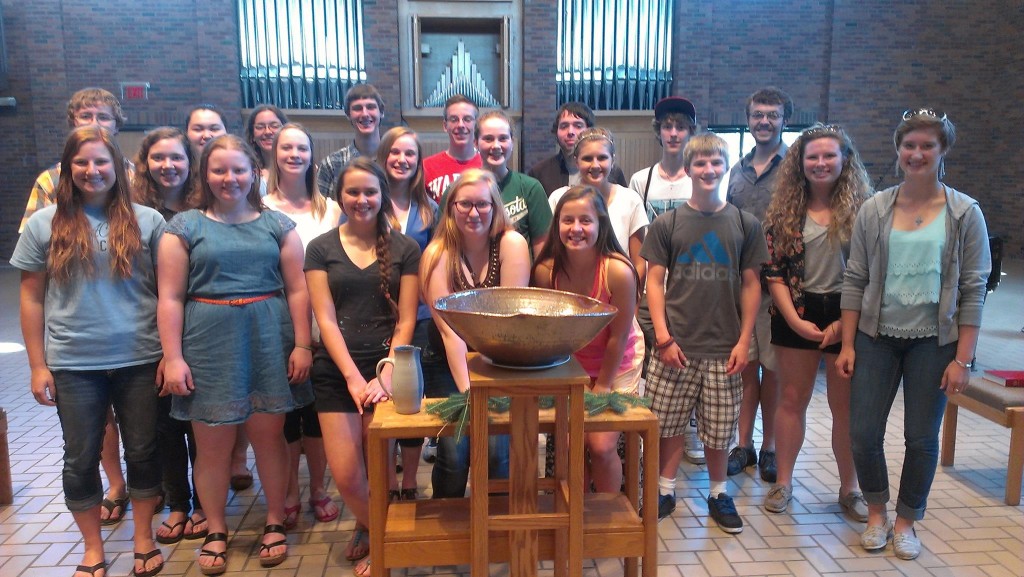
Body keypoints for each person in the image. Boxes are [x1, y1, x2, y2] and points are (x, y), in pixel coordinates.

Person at [13, 125, 166, 577]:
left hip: (140, 356)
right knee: (79, 455)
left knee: (142, 450)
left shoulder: (148, 221)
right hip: (74, 362)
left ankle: (143, 539)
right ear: (67, 169)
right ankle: (93, 548)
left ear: (118, 167)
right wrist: (38, 364)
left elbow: (168, 292)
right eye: (81, 162)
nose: (92, 170)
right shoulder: (44, 224)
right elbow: (31, 298)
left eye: (101, 162)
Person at [838, 110, 991, 560]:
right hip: (876, 337)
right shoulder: (875, 208)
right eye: (909, 146)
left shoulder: (965, 213)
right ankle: (876, 514)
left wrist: (962, 360)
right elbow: (855, 278)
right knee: (864, 433)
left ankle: (906, 521)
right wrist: (848, 343)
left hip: (934, 341)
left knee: (921, 438)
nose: (917, 154)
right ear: (898, 150)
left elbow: (973, 290)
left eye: (927, 146)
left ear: (943, 151)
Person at [158, 134, 313, 575]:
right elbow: (169, 297)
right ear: (205, 174)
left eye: (239, 169)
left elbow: (298, 289)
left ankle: (274, 519)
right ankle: (217, 529)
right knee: (212, 447)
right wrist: (173, 357)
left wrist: (302, 344)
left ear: (255, 173)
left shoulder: (277, 226)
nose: (230, 178)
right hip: (207, 342)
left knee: (269, 438)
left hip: (268, 338)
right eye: (219, 170)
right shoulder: (184, 228)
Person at [641, 134, 768, 531]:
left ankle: (718, 492)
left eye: (716, 163)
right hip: (675, 346)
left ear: (725, 167)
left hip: (724, 347)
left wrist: (745, 339)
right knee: (668, 422)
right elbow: (654, 283)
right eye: (700, 164)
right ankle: (664, 488)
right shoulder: (668, 223)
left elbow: (751, 286)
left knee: (718, 429)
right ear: (689, 169)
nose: (708, 170)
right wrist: (662, 337)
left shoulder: (745, 225)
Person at [19, 89, 134, 523]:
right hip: (78, 330)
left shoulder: (134, 177)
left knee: (140, 429)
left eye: (104, 116)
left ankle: (143, 486)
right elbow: (35, 265)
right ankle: (115, 482)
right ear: (71, 122)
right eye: (86, 116)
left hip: (130, 325)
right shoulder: (51, 184)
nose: (96, 123)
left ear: (117, 125)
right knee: (96, 423)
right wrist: (37, 361)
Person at [305, 157, 421, 577]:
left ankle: (376, 538)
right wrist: (354, 378)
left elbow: (406, 319)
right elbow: (325, 319)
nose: (362, 199)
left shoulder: (406, 249)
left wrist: (384, 373)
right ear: (339, 196)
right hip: (337, 372)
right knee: (349, 477)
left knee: (379, 470)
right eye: (352, 192)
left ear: (383, 196)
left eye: (370, 191)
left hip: (388, 370)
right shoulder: (320, 248)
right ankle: (383, 531)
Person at [760, 123, 871, 520]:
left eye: (829, 156)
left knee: (846, 409)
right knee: (792, 400)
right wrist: (793, 320)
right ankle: (783, 483)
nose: (821, 163)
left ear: (845, 160)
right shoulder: (783, 211)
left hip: (848, 312)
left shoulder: (864, 210)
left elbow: (871, 271)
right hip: (796, 310)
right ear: (801, 162)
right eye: (813, 156)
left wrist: (845, 323)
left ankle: (851, 488)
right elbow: (772, 271)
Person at [420, 169, 531, 497]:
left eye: (482, 204)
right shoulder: (437, 254)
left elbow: (508, 321)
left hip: (500, 356)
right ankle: (449, 521)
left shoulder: (511, 243)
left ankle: (495, 524)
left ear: (496, 207)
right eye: (464, 204)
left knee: (497, 449)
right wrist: (471, 392)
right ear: (450, 207)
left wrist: (487, 390)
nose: (474, 212)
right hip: (445, 357)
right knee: (456, 451)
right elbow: (449, 331)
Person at [532, 186, 644, 492]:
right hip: (574, 363)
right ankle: (576, 516)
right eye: (568, 221)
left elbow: (618, 336)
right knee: (570, 443)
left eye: (585, 220)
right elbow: (549, 334)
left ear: (601, 224)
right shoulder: (546, 271)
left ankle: (604, 517)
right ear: (557, 226)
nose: (576, 229)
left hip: (618, 361)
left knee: (601, 444)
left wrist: (603, 386)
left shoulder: (618, 271)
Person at [132, 127, 211, 545]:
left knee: (199, 424)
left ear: (190, 162)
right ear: (146, 163)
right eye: (158, 158)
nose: (168, 166)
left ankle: (203, 504)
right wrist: (166, 348)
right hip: (149, 333)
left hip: (198, 329)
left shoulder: (205, 208)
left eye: (176, 157)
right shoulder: (134, 212)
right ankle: (178, 502)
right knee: (164, 427)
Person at [262, 123, 342, 528]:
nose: (294, 154)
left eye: (302, 148)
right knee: (285, 417)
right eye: (286, 147)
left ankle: (318, 489)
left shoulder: (329, 208)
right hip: (276, 323)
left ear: (312, 156)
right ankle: (290, 488)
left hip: (323, 323)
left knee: (317, 413)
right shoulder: (259, 206)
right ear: (274, 153)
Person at [628, 95, 704, 466]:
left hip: (692, 286)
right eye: (668, 127)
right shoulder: (641, 180)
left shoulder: (700, 178)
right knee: (655, 360)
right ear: (659, 132)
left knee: (690, 356)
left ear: (691, 131)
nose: (674, 133)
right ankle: (655, 426)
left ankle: (690, 430)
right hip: (655, 285)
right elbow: (640, 240)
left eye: (681, 127)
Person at [724, 86, 793, 484]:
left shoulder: (795, 167)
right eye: (757, 115)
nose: (764, 121)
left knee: (775, 371)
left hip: (780, 287)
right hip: (743, 285)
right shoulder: (738, 170)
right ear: (748, 120)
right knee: (746, 368)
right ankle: (744, 444)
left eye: (772, 114)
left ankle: (769, 447)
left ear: (784, 119)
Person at [375, 126, 438, 498]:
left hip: (420, 318)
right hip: (375, 317)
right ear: (384, 156)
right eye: (395, 152)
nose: (402, 160)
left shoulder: (429, 208)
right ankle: (385, 484)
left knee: (410, 403)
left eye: (410, 154)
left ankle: (411, 481)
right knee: (384, 406)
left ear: (418, 162)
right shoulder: (367, 200)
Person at [548, 128, 649, 280]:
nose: (595, 165)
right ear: (576, 161)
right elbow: (552, 255)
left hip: (618, 295)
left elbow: (639, 264)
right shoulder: (559, 198)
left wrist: (632, 301)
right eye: (587, 158)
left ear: (612, 160)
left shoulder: (630, 200)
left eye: (602, 158)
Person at [473, 110, 552, 259]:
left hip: (522, 281)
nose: (496, 146)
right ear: (475, 143)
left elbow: (544, 255)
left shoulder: (531, 188)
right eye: (488, 139)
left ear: (512, 142)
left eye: (503, 138)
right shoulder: (458, 191)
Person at [527, 101, 627, 196]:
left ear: (589, 130)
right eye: (564, 126)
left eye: (578, 126)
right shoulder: (539, 173)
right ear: (556, 131)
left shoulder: (613, 172)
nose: (570, 131)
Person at [316, 84, 385, 200]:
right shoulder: (331, 165)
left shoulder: (394, 162)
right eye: (357, 108)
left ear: (381, 112)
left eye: (370, 107)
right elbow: (319, 211)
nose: (365, 114)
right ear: (348, 115)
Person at [422, 95, 482, 202]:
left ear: (476, 125)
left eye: (467, 119)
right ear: (445, 126)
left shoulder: (487, 166)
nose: (460, 125)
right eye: (454, 119)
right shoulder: (426, 167)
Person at [245, 104, 289, 178]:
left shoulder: (300, 168)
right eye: (260, 127)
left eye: (274, 126)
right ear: (252, 136)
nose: (267, 132)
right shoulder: (247, 172)